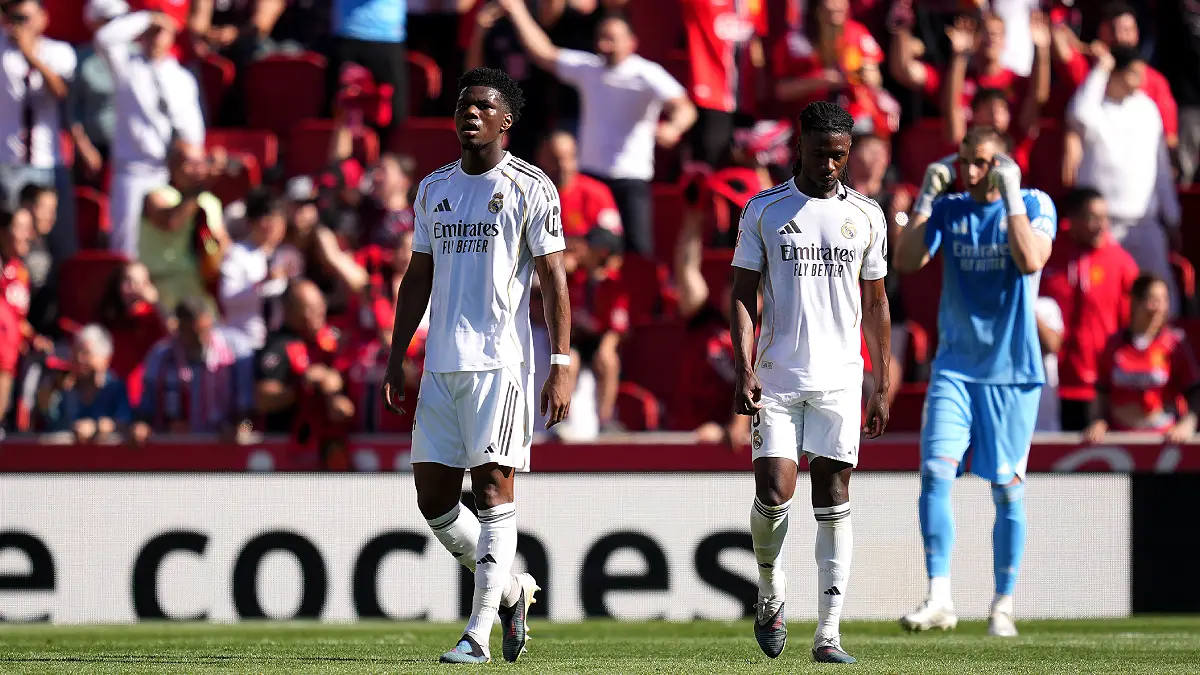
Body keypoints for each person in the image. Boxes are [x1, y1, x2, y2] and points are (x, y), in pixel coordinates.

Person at [378, 67, 571, 665]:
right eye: (464, 105)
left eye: (484, 107)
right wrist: (397, 354)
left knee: (491, 489)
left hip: (500, 363)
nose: (470, 114)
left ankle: (477, 635)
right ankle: (511, 590)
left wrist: (560, 361)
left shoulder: (530, 187)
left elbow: (553, 280)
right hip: (441, 362)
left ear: (506, 121)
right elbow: (418, 277)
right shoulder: (434, 188)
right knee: (434, 501)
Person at [731, 102, 890, 664]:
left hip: (842, 377)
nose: (830, 164)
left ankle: (828, 633)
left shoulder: (869, 215)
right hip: (776, 374)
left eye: (839, 155)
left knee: (834, 494)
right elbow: (742, 294)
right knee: (774, 492)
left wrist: (882, 379)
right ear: (799, 147)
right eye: (821, 153)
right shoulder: (766, 210)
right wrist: (744, 364)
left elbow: (875, 301)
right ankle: (771, 594)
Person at [893, 127, 1057, 637]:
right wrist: (926, 195)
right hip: (955, 369)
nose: (969, 172)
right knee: (934, 474)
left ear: (1001, 163)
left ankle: (1002, 603)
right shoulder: (950, 208)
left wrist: (1009, 196)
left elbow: (1031, 260)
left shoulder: (1033, 202)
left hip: (1011, 373)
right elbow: (905, 261)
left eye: (981, 163)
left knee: (1006, 490)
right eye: (964, 162)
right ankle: (939, 596)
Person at [498, 0, 696, 257]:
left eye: (612, 39)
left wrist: (673, 128)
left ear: (631, 41)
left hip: (630, 178)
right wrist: (517, 10)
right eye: (601, 38)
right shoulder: (589, 69)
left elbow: (685, 108)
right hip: (591, 177)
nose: (605, 45)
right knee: (584, 251)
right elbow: (543, 53)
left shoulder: (647, 74)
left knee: (638, 255)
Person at [1067, 44, 1181, 314]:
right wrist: (1100, 69)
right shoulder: (1095, 108)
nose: (1141, 80)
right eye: (1133, 73)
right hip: (1105, 229)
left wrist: (1172, 217)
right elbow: (1078, 114)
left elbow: (1161, 168)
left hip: (1146, 223)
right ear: (1114, 74)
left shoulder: (1148, 109)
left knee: (1164, 300)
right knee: (1107, 303)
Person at [94, 9, 204, 257]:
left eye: (161, 32)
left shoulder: (182, 78)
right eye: (150, 33)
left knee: (162, 247)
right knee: (126, 249)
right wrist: (146, 18)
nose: (155, 38)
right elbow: (104, 38)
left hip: (165, 172)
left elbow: (193, 132)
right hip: (131, 172)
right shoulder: (127, 68)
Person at [1039, 187, 1138, 431]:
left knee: (1094, 464)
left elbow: (1132, 327)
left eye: (1105, 218)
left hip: (1101, 386)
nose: (1101, 225)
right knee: (1049, 463)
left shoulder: (1121, 262)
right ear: (1071, 219)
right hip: (1050, 383)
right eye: (1093, 217)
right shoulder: (1046, 254)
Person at [1084, 275, 1200, 444]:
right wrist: (1097, 421)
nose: (1159, 308)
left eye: (1164, 300)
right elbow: (1101, 392)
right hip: (1120, 441)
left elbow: (1195, 391)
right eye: (1153, 300)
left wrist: (1187, 424)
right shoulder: (1114, 345)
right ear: (1135, 302)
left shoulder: (1175, 344)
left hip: (1164, 442)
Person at [132, 296, 254, 443]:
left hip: (224, 447)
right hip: (174, 447)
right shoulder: (161, 356)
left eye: (196, 324)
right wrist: (141, 426)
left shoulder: (236, 349)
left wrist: (243, 429)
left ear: (209, 320)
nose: (191, 330)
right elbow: (146, 406)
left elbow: (249, 411)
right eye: (184, 324)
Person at [218, 187, 288, 354]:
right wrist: (261, 284)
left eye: (276, 221)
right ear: (252, 222)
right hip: (245, 342)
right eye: (266, 220)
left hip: (280, 341)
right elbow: (228, 296)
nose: (271, 226)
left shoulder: (286, 254)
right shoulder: (237, 254)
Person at [35, 324, 131, 440]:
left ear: (105, 358)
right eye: (76, 353)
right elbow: (49, 420)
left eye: (86, 353)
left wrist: (96, 427)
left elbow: (124, 422)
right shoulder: (64, 389)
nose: (80, 359)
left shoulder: (116, 388)